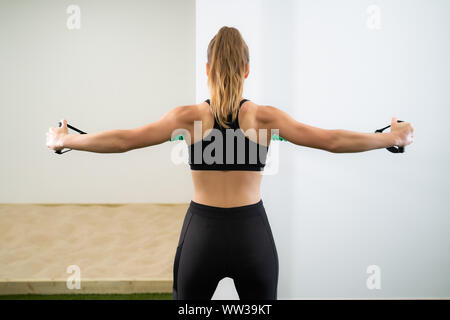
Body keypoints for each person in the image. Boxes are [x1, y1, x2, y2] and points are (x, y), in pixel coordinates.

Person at [46, 26, 414, 300]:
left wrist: (68, 140)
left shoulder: (187, 117)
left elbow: (125, 140)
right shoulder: (265, 119)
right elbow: (331, 141)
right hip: (251, 235)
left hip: (201, 237)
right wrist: (389, 137)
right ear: (247, 70)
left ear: (207, 69)